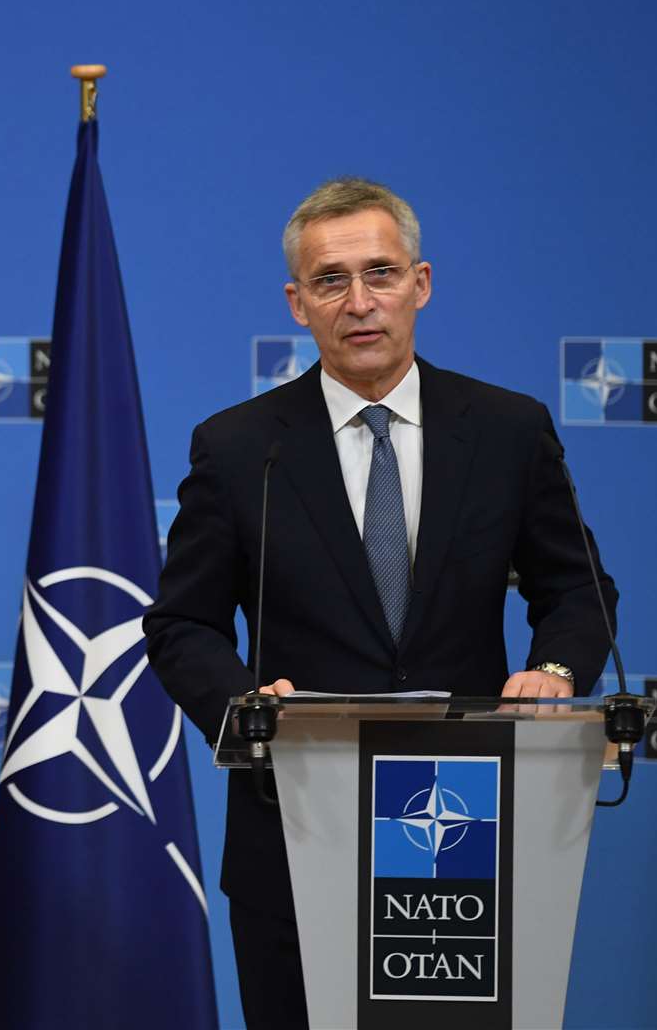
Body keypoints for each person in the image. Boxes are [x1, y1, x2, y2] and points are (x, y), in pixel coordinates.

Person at [142, 178, 616, 1029]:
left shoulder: (509, 429)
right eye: (331, 281)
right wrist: (244, 707)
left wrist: (552, 667)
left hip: (465, 824)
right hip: (294, 829)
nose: (359, 303)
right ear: (297, 302)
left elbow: (578, 584)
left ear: (421, 284)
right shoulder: (241, 447)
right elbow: (182, 624)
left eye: (381, 273)